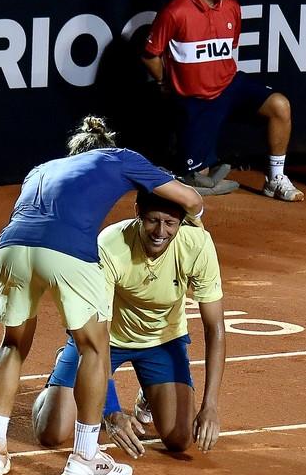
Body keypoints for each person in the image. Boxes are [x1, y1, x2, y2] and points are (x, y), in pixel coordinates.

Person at [0, 116, 203, 475]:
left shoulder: (41, 169)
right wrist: (197, 219)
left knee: (13, 344)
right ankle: (85, 456)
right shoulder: (121, 157)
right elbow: (191, 198)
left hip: (12, 246)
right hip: (66, 249)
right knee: (94, 349)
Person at [31, 189, 225, 459]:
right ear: (137, 213)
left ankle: (149, 392)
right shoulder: (110, 246)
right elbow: (96, 333)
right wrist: (110, 411)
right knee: (51, 433)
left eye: (170, 223)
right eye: (152, 220)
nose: (160, 231)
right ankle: (61, 373)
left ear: (181, 221)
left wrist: (211, 405)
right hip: (104, 339)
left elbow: (214, 329)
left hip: (162, 341)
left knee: (180, 439)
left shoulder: (198, 245)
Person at [141, 0, 304, 202]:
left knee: (279, 106)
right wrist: (165, 82)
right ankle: (182, 168)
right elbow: (150, 54)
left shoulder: (232, 7)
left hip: (229, 85)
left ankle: (275, 179)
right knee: (198, 177)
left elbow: (227, 52)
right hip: (196, 99)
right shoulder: (175, 12)